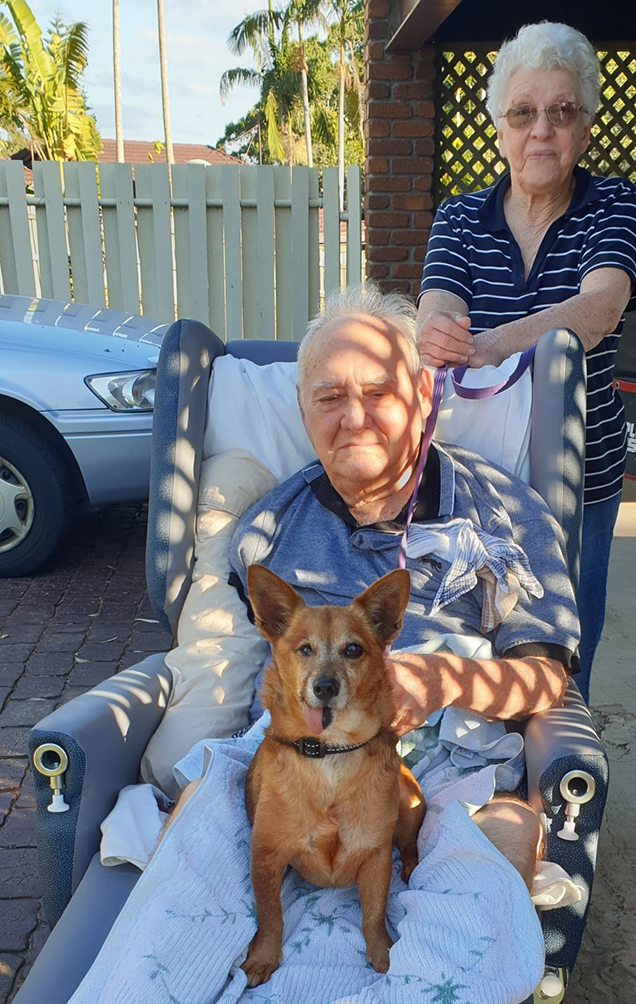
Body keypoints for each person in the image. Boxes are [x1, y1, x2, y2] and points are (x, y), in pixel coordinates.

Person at [230, 283, 579, 892]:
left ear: (422, 395)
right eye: (330, 397)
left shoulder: (504, 513)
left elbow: (547, 678)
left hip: (450, 776)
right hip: (296, 764)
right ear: (302, 408)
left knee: (507, 837)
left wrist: (445, 680)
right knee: (192, 826)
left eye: (377, 393)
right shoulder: (266, 528)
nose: (354, 418)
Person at [416, 22, 636, 704]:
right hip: (476, 472)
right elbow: (436, 312)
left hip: (583, 475)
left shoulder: (615, 204)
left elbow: (600, 308)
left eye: (562, 112)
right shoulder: (458, 217)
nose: (542, 130)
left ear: (587, 125)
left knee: (566, 640)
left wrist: (491, 341)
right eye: (523, 113)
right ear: (501, 128)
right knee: (468, 627)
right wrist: (439, 333)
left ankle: (565, 782)